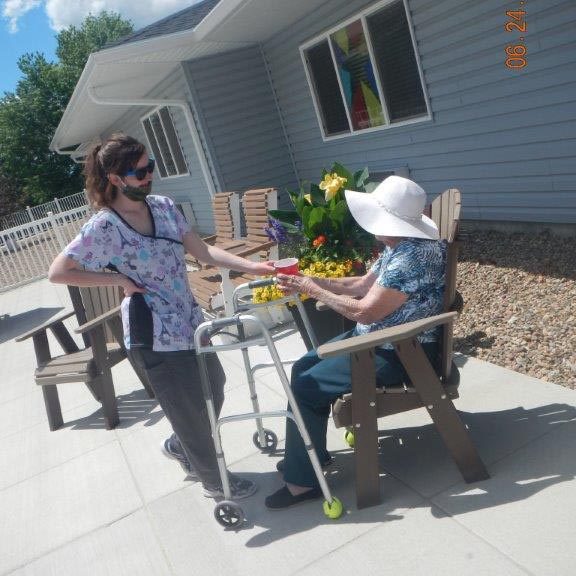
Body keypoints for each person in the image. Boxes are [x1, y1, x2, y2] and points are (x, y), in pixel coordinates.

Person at [48, 133, 275, 500]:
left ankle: (181, 447)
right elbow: (58, 272)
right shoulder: (104, 227)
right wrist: (118, 278)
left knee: (213, 390)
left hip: (190, 321)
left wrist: (255, 266)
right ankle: (215, 482)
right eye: (139, 172)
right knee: (189, 413)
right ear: (116, 179)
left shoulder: (166, 207)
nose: (148, 175)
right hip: (151, 333)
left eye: (149, 167)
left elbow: (206, 253)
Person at [265, 175, 447, 509]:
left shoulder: (410, 258)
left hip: (402, 353)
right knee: (305, 365)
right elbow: (360, 285)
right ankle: (308, 458)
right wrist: (308, 279)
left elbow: (363, 311)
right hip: (387, 341)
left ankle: (303, 481)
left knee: (305, 385)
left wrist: (312, 289)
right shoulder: (401, 246)